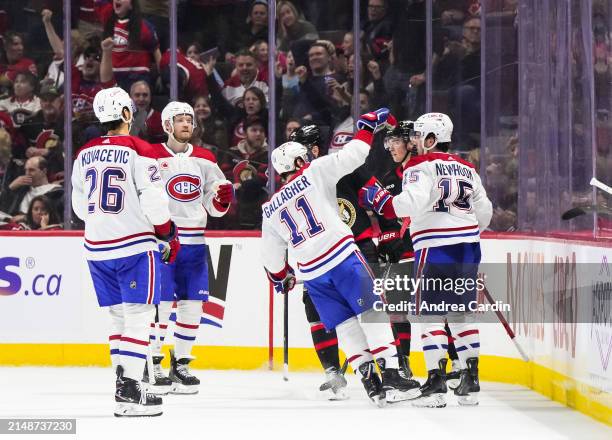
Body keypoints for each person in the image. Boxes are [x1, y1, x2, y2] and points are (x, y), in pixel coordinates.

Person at [262, 108, 416, 406]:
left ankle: (370, 381)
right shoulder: (315, 172)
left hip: (312, 275)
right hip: (342, 257)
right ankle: (392, 376)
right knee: (371, 311)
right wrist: (367, 127)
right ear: (298, 162)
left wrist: (282, 277)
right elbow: (355, 155)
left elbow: (271, 258)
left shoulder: (269, 209)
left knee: (345, 324)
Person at [359, 112, 492, 407]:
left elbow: (410, 203)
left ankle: (435, 383)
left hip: (436, 248)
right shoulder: (469, 168)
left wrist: (381, 201)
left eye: (419, 136)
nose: (415, 141)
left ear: (432, 139)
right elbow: (485, 211)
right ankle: (471, 380)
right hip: (469, 246)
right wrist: (464, 230)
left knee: (428, 315)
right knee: (460, 314)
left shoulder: (419, 166)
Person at [71, 86, 180, 417]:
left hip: (96, 247)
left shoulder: (83, 153)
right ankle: (130, 391)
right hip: (132, 245)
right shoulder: (138, 148)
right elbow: (154, 200)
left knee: (118, 318)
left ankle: (125, 384)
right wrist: (168, 233)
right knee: (139, 316)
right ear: (126, 114)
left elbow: (79, 206)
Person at [146, 101, 233, 394]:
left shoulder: (206, 159)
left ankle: (180, 363)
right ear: (167, 125)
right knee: (161, 305)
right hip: (164, 242)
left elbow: (214, 206)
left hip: (195, 243)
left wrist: (222, 199)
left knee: (193, 305)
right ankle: (153, 362)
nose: (186, 124)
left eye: (189, 120)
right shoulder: (151, 156)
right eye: (179, 119)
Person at [378, 121, 462, 388]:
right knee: (398, 307)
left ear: (411, 142)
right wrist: (387, 239)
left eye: (396, 141)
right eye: (388, 142)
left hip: (432, 247)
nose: (391, 147)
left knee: (440, 307)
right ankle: (403, 363)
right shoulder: (390, 178)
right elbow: (384, 219)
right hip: (405, 253)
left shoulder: (431, 170)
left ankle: (455, 361)